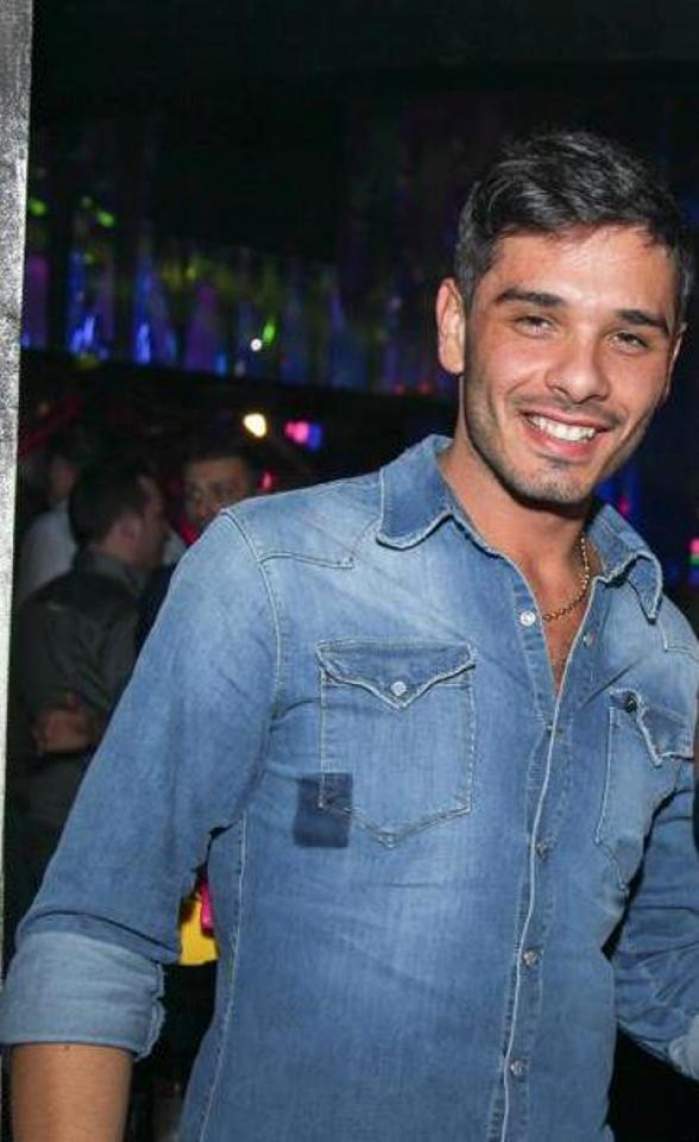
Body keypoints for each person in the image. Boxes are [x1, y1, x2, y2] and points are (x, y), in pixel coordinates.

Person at [2, 129, 699, 1142]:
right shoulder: (273, 573)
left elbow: (664, 972)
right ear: (455, 325)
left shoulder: (664, 654)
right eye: (536, 319)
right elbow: (93, 930)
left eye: (629, 337)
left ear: (670, 362)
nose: (581, 377)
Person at [10, 459, 168, 887]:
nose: (166, 530)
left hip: (28, 816)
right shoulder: (125, 615)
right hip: (96, 825)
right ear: (129, 526)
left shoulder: (33, 605)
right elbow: (144, 728)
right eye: (157, 516)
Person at [136, 435, 261, 648]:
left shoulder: (291, 582)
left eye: (221, 493)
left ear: (258, 498)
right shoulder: (168, 590)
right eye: (193, 495)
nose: (202, 510)